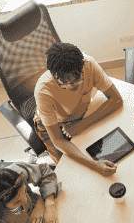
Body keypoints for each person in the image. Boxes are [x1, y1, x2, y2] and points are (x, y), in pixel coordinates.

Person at [33, 42, 123, 176]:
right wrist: (93, 164)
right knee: (71, 173)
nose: (71, 85)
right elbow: (57, 140)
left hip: (80, 116)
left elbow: (116, 100)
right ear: (53, 75)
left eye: (77, 79)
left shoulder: (89, 65)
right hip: (53, 126)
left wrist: (81, 124)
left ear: (82, 67)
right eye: (64, 82)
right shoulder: (43, 91)